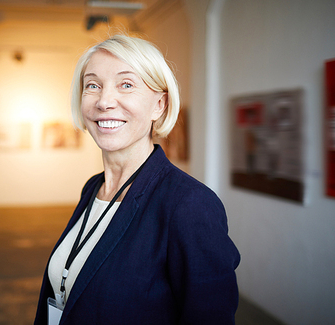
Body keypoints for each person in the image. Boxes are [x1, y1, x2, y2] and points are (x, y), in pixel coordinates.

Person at [34, 34, 240, 325]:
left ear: (159, 105)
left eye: (126, 85)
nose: (104, 101)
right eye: (93, 85)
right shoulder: (93, 188)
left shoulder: (189, 204)